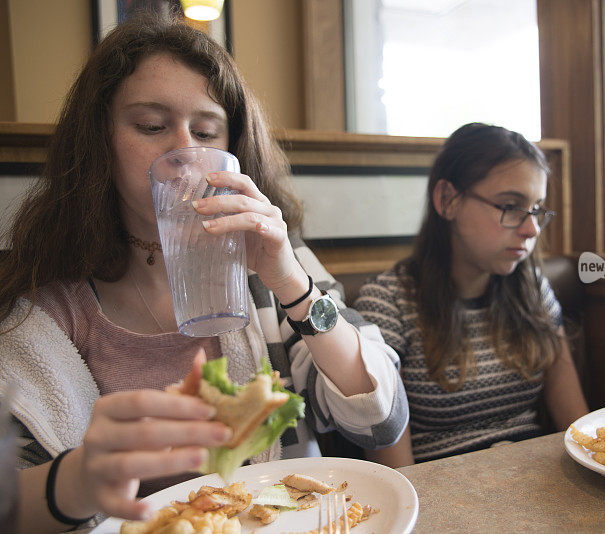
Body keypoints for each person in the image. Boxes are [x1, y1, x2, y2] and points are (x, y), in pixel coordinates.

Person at [0, 13, 407, 533]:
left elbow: (381, 419)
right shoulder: (40, 302)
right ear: (99, 139)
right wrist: (80, 479)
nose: (183, 150)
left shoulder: (267, 253)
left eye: (206, 130)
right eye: (151, 126)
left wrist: (292, 283)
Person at [355, 122, 588, 467]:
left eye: (537, 209)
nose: (531, 228)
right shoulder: (388, 302)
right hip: (445, 494)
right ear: (447, 200)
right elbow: (396, 474)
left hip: (539, 479)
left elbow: (578, 431)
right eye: (511, 206)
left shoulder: (532, 288)